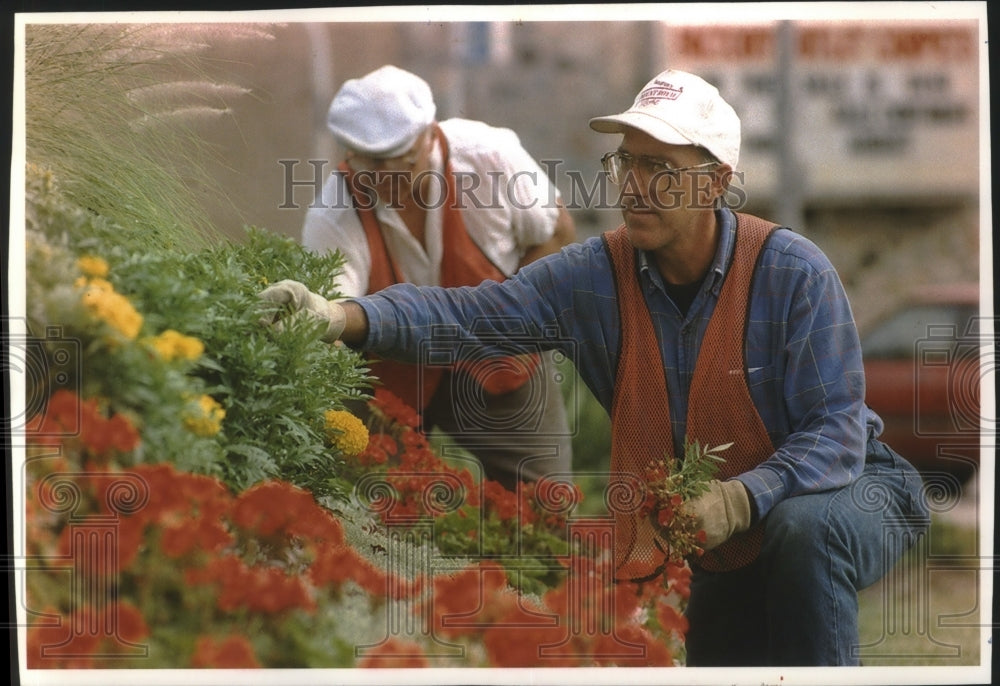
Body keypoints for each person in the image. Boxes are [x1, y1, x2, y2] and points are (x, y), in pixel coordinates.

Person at [260, 68, 929, 666]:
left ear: (716, 182)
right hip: (714, 522)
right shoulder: (596, 276)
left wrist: (740, 497)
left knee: (802, 533)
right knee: (722, 657)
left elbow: (836, 431)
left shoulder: (793, 272)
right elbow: (476, 315)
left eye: (661, 170)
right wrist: (343, 318)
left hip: (850, 488)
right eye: (626, 164)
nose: (634, 187)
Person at [297, 64, 577, 490]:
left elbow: (556, 233)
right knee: (369, 510)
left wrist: (515, 325)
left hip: (503, 361)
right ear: (349, 156)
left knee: (545, 506)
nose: (389, 180)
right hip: (390, 375)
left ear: (430, 135)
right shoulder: (332, 214)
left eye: (404, 164)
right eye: (373, 168)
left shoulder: (490, 158)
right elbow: (332, 319)